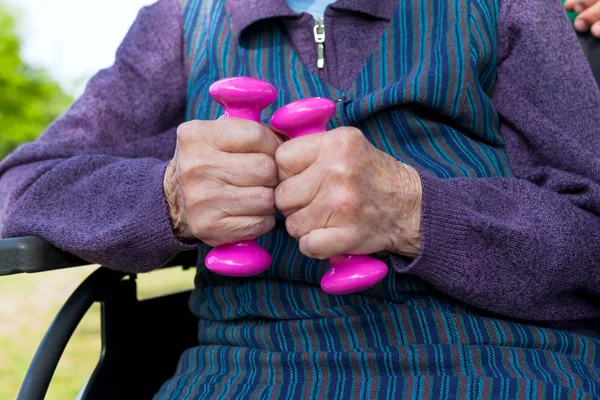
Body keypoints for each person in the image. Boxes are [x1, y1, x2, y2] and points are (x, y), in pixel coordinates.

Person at [2, 0, 600, 398]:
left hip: (511, 364)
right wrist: (168, 198)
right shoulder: (181, 19)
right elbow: (22, 184)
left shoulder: (505, 7)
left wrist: (413, 212)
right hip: (249, 371)